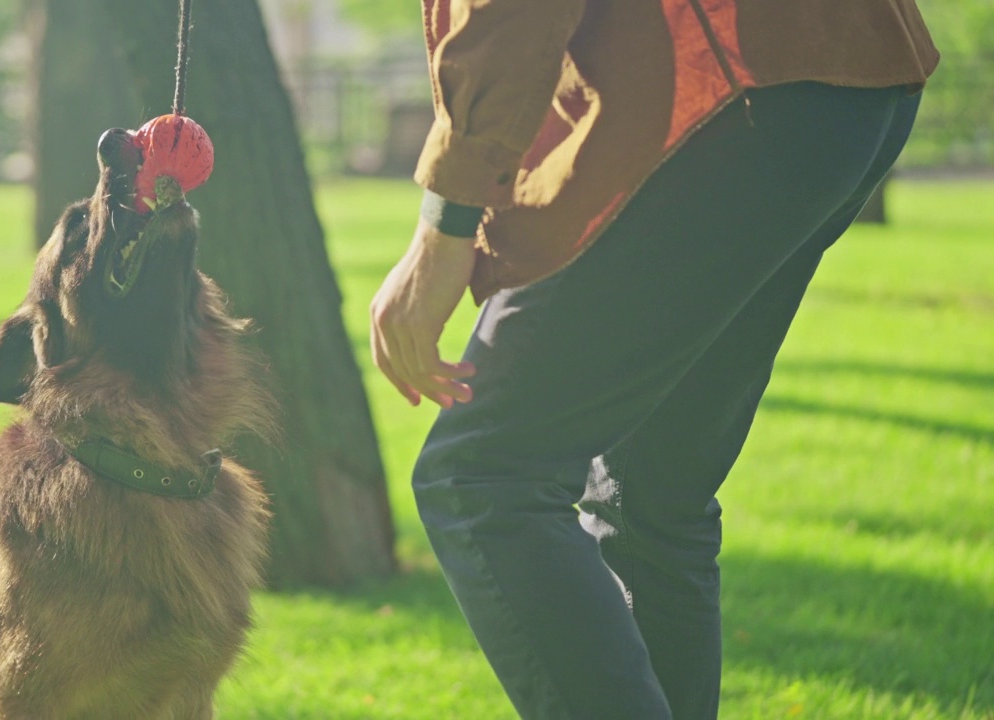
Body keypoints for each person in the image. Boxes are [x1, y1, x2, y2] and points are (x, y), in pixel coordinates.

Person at [369, 2, 939, 718]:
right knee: (652, 500)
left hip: (734, 86)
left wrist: (447, 220)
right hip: (842, 80)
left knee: (483, 475)